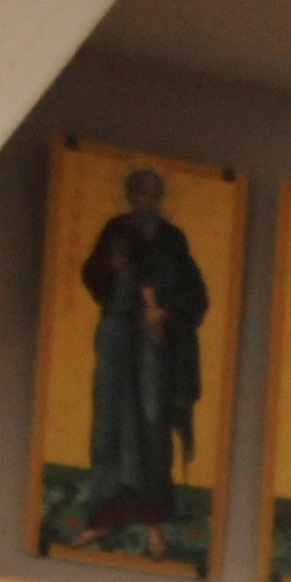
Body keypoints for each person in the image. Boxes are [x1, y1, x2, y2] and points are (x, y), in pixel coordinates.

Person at [73, 167, 212, 549]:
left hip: (154, 340)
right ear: (130, 195)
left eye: (152, 193)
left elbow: (195, 295)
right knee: (109, 419)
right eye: (139, 192)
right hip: (117, 331)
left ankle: (153, 518)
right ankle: (104, 515)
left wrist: (165, 312)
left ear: (160, 197)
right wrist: (111, 267)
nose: (145, 199)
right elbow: (92, 274)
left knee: (152, 419)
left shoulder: (171, 238)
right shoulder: (115, 230)